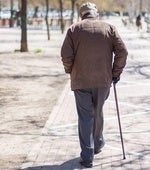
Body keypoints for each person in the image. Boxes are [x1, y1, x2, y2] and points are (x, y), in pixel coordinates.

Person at [61, 2, 128, 168]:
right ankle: (97, 144)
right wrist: (115, 73)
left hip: (81, 81)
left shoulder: (73, 30)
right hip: (103, 81)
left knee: (85, 117)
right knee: (97, 111)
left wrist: (71, 71)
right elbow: (123, 52)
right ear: (95, 14)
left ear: (81, 15)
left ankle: (87, 155)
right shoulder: (109, 28)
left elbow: (65, 55)